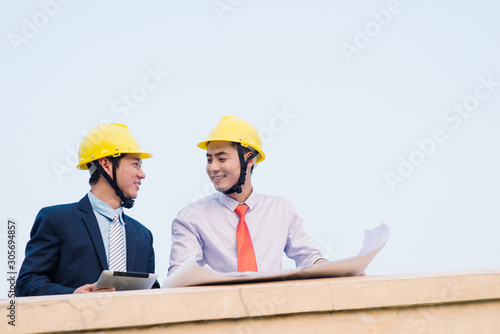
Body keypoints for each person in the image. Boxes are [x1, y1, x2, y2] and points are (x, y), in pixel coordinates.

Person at [168, 116, 326, 275]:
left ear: (249, 159)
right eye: (209, 160)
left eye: (221, 159)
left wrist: (336, 270)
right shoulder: (191, 218)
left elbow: (308, 258)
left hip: (272, 299)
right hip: (220, 300)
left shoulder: (281, 209)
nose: (213, 168)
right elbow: (179, 277)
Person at [16, 123, 160, 296]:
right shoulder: (56, 220)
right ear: (106, 164)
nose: (142, 174)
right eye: (135, 164)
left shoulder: (143, 235)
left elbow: (153, 295)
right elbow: (26, 284)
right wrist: (73, 295)